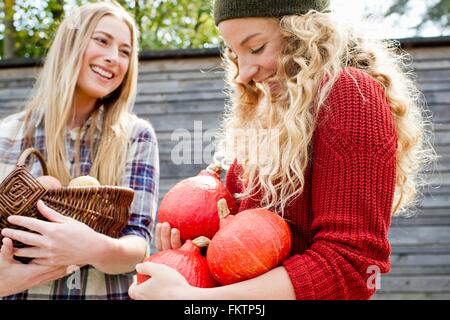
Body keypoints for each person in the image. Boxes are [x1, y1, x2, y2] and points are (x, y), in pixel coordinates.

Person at [128, 0, 435, 300]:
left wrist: (195, 301)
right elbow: (247, 258)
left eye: (256, 48)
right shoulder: (267, 119)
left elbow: (352, 266)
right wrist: (198, 250)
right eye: (235, 55)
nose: (244, 72)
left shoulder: (352, 96)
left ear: (305, 33)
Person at [0, 1, 159, 300]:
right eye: (102, 41)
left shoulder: (136, 137)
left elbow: (138, 245)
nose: (114, 58)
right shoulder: (7, 136)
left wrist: (92, 248)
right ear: (70, 45)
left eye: (125, 51)